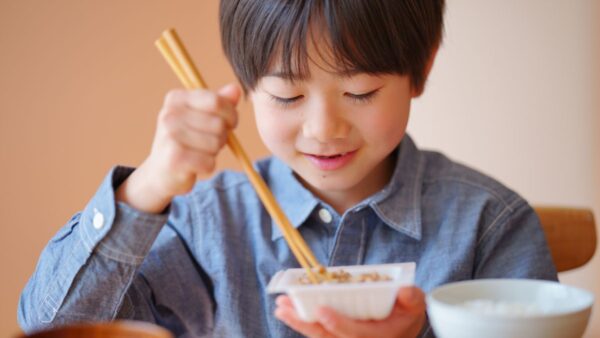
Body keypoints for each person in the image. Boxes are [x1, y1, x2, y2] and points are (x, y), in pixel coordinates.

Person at [18, 1, 557, 337]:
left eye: (360, 92)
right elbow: (49, 327)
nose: (323, 129)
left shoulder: (489, 224)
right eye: (286, 95)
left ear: (423, 67)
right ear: (248, 84)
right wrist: (145, 188)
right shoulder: (206, 224)